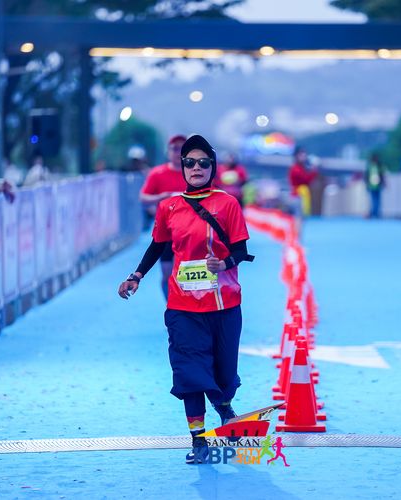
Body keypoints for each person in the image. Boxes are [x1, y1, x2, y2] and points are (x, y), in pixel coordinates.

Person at [118, 134, 253, 465]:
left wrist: (224, 264)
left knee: (224, 375)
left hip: (224, 305)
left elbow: (241, 250)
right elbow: (157, 246)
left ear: (212, 167)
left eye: (203, 163)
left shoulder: (227, 204)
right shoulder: (169, 206)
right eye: (189, 162)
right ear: (182, 167)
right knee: (189, 371)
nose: (196, 167)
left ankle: (224, 407)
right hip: (183, 307)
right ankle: (199, 440)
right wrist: (136, 275)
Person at [139, 135, 187, 299]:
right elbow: (143, 198)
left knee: (189, 272)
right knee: (167, 273)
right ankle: (170, 303)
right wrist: (161, 197)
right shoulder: (157, 173)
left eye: (182, 148)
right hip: (166, 231)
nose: (178, 152)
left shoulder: (195, 172)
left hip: (191, 231)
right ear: (168, 151)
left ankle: (190, 305)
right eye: (175, 148)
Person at [288, 146, 318, 216]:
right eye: (301, 155)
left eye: (304, 155)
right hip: (298, 195)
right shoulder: (295, 169)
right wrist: (314, 171)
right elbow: (305, 179)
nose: (304, 157)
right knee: (299, 215)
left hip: (302, 195)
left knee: (303, 215)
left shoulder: (301, 167)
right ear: (296, 156)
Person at [365, 153, 386, 218]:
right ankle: (375, 212)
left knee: (375, 200)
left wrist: (383, 182)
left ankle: (375, 212)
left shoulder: (372, 166)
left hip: (375, 185)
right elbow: (367, 176)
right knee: (375, 200)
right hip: (374, 185)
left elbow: (381, 175)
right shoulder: (375, 166)